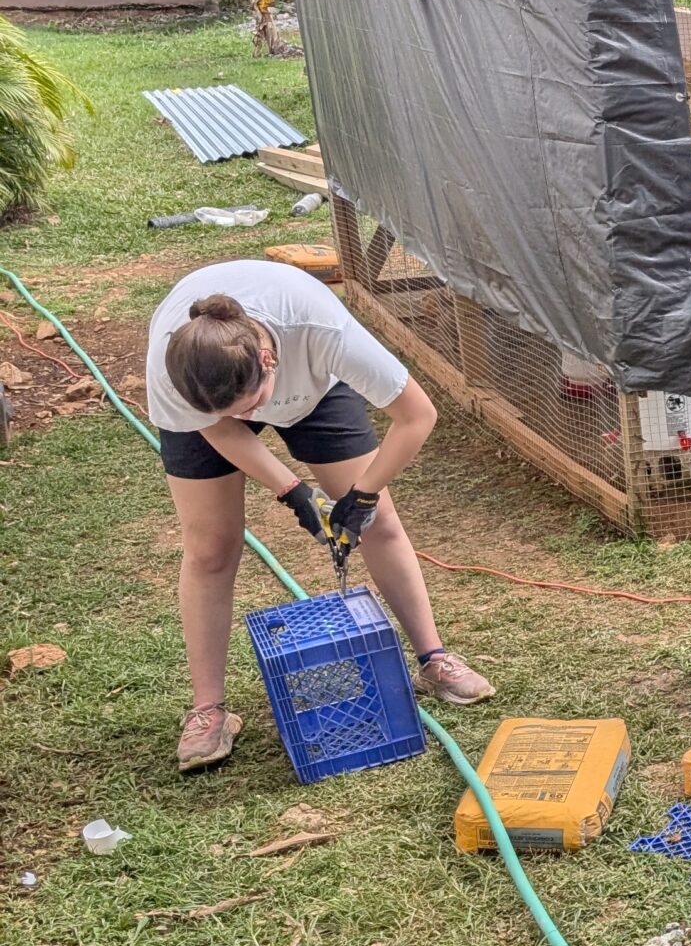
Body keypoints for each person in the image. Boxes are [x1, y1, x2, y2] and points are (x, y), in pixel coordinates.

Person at [146, 259, 493, 772]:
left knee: (381, 526)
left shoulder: (319, 329)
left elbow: (418, 416)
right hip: (215, 403)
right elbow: (219, 427)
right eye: (233, 411)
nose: (246, 416)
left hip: (312, 390)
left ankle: (433, 659)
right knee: (211, 548)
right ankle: (208, 710)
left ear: (267, 359)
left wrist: (365, 495)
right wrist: (291, 489)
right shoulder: (176, 372)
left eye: (252, 403)